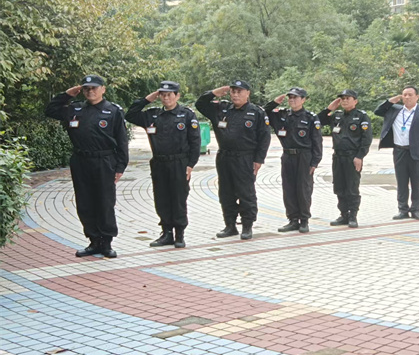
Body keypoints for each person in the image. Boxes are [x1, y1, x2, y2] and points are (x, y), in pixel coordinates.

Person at [45, 75, 128, 258]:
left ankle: (106, 243)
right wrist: (67, 95)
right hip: (81, 161)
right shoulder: (75, 109)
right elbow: (50, 110)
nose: (90, 91)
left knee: (105, 202)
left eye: (94, 88)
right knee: (85, 202)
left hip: (104, 161)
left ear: (103, 89)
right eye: (86, 88)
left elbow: (122, 140)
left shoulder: (113, 111)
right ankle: (93, 241)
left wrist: (120, 167)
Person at [125, 81, 200, 248]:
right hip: (159, 163)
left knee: (178, 198)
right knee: (162, 198)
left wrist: (190, 165)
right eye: (163, 95)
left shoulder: (186, 115)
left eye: (169, 95)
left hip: (179, 162)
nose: (166, 98)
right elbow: (130, 115)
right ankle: (166, 233)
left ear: (177, 96)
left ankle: (179, 234)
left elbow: (195, 141)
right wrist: (148, 99)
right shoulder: (152, 115)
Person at [195, 80, 271, 240]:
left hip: (245, 157)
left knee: (246, 193)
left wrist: (258, 160)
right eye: (233, 91)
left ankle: (247, 226)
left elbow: (264, 137)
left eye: (239, 92)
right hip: (224, 157)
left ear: (247, 93)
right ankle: (230, 226)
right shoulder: (221, 108)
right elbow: (200, 104)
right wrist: (214, 92)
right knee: (225, 193)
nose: (235, 95)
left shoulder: (256, 112)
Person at [264, 87, 323, 233]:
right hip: (287, 155)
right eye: (290, 97)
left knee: (303, 189)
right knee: (288, 188)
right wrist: (274, 102)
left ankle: (304, 220)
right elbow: (263, 112)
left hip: (304, 156)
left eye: (295, 97)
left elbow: (317, 141)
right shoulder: (281, 115)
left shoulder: (310, 117)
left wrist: (315, 162)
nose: (292, 100)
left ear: (303, 99)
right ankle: (293, 220)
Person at [375, 86, 419, 220]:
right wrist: (391, 101)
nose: (407, 97)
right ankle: (402, 209)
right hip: (399, 150)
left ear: (417, 97)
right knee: (401, 182)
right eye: (404, 95)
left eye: (410, 95)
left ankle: (416, 209)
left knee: (416, 182)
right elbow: (378, 111)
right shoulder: (394, 110)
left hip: (416, 151)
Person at [318, 90, 373, 228]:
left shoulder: (361, 116)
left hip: (352, 157)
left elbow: (366, 139)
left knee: (352, 187)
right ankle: (343, 215)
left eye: (348, 98)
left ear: (355, 101)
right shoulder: (337, 115)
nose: (344, 101)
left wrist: (360, 156)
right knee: (339, 186)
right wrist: (329, 109)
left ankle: (353, 215)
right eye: (342, 99)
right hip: (338, 156)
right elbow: (318, 121)